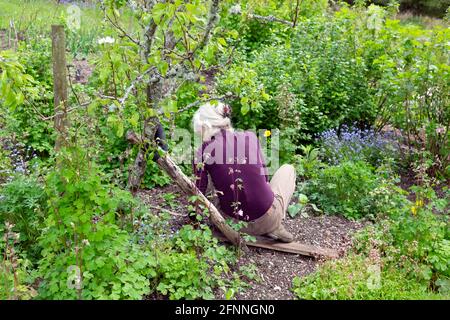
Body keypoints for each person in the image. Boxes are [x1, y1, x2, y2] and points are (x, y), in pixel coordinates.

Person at [192, 102, 296, 243]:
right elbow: (264, 177)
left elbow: (198, 192)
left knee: (209, 177)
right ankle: (274, 225)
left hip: (229, 224)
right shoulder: (250, 137)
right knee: (288, 170)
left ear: (204, 125)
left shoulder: (203, 151)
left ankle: (263, 224)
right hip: (268, 216)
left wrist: (192, 220)